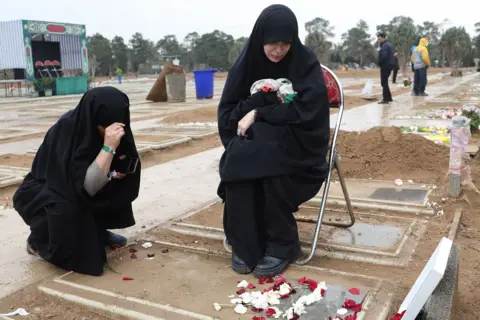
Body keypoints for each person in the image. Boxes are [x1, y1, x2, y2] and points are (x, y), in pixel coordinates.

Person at [217, 4, 330, 278]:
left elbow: (308, 112)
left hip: (298, 146)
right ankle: (245, 243)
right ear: (260, 39)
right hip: (254, 144)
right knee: (240, 161)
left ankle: (282, 245)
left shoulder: (305, 63)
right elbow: (229, 117)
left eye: (285, 43)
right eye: (272, 43)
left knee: (267, 164)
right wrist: (257, 102)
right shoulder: (246, 66)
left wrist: (259, 113)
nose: (279, 50)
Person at [13, 87, 141, 276]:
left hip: (78, 186)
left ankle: (98, 231)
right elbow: (87, 187)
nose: (114, 133)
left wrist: (119, 170)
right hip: (48, 189)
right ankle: (40, 239)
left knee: (117, 187)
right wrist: (108, 148)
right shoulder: (67, 129)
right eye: (105, 128)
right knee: (66, 208)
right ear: (93, 120)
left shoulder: (117, 129)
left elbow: (124, 163)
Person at [376, 31, 394, 104]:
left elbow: (383, 56)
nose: (378, 40)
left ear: (383, 38)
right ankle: (389, 97)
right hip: (389, 65)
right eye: (378, 39)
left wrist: (379, 63)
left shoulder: (385, 46)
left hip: (385, 66)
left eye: (379, 39)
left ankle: (385, 99)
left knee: (384, 82)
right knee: (385, 82)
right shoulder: (387, 44)